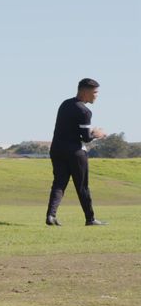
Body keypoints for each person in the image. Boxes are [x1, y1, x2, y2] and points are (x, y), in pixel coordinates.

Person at [45, 78, 108, 226]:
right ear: (85, 92)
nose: (96, 95)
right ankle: (90, 219)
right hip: (75, 152)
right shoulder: (85, 111)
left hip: (57, 149)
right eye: (95, 92)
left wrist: (88, 132)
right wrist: (97, 134)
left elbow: (70, 129)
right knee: (82, 186)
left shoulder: (65, 104)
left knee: (59, 183)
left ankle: (50, 215)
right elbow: (86, 137)